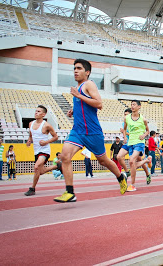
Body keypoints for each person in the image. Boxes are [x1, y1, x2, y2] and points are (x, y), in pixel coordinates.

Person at [54, 59, 127, 203]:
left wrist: (79, 96)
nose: (75, 71)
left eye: (79, 68)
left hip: (92, 132)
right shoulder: (78, 88)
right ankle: (70, 192)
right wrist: (73, 110)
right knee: (65, 156)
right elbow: (84, 106)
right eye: (74, 68)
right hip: (77, 132)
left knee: (103, 160)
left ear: (87, 72)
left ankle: (120, 177)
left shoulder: (89, 84)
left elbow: (99, 104)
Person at [24, 105, 61, 196]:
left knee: (36, 167)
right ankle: (56, 166)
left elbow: (56, 137)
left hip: (44, 151)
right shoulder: (31, 124)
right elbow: (31, 135)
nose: (36, 113)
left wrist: (46, 142)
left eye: (39, 111)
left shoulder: (47, 125)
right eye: (36, 111)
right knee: (40, 171)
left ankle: (32, 188)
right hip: (36, 151)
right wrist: (29, 140)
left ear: (43, 114)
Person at [123, 99, 152, 192]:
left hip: (139, 142)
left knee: (131, 161)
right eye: (131, 104)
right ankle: (147, 160)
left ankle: (132, 185)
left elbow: (148, 131)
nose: (132, 106)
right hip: (131, 142)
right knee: (133, 164)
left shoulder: (143, 119)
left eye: (134, 104)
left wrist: (144, 135)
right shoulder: (127, 118)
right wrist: (125, 137)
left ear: (139, 107)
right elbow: (124, 129)